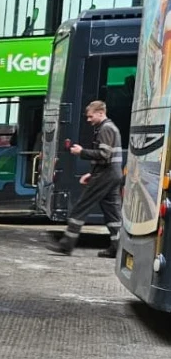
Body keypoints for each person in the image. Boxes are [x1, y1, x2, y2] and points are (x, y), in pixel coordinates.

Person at [47, 100, 123, 257]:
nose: (88, 120)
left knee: (81, 207)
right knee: (113, 213)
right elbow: (107, 158)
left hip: (105, 175)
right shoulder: (109, 128)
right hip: (112, 174)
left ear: (100, 113)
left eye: (90, 116)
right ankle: (118, 247)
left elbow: (104, 154)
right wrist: (91, 173)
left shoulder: (105, 129)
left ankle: (66, 245)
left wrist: (81, 152)